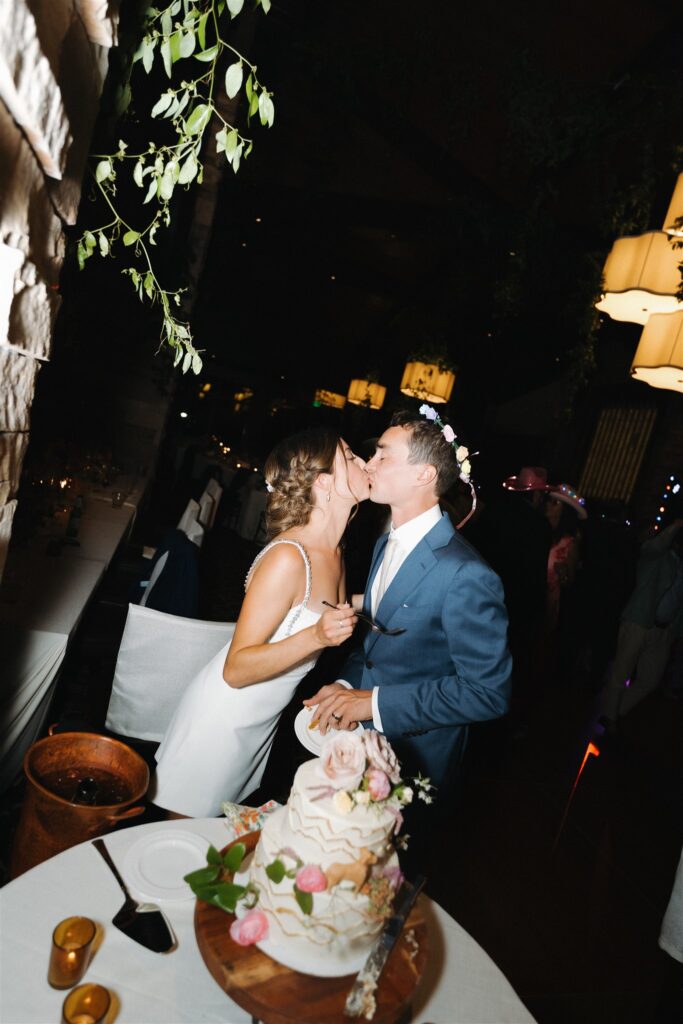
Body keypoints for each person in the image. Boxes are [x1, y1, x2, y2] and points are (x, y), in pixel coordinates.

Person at [151, 428, 369, 817]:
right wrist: (316, 636)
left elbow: (325, 608)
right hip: (221, 721)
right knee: (178, 846)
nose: (363, 463)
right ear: (323, 483)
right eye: (350, 457)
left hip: (260, 721)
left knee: (215, 847)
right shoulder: (289, 557)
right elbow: (236, 670)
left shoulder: (335, 551)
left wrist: (381, 599)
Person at [304, 406, 512, 805]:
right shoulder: (387, 541)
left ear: (424, 475)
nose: (369, 463)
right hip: (359, 748)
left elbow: (488, 693)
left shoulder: (466, 574)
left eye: (383, 454)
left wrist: (375, 703)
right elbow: (376, 648)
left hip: (415, 761)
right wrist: (348, 686)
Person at [601, 518, 683, 732]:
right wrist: (676, 525)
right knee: (622, 671)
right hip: (639, 620)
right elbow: (655, 545)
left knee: (650, 679)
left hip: (664, 630)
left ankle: (616, 710)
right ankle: (609, 717)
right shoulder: (656, 555)